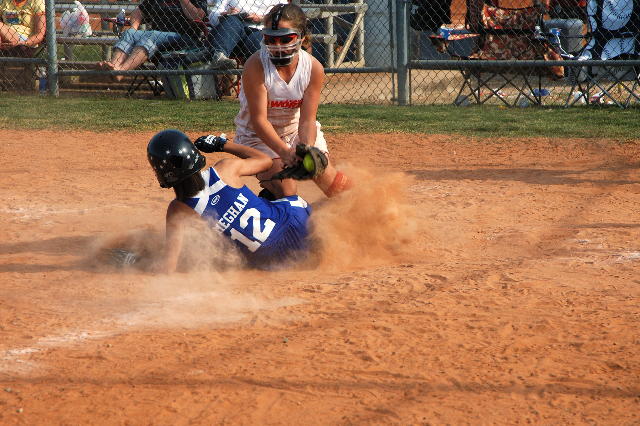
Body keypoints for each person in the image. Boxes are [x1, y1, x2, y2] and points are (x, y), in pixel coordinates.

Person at [229, 3, 352, 200]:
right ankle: (272, 201)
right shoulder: (256, 65)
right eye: (271, 39)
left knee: (327, 177)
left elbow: (307, 120)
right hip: (256, 136)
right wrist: (284, 152)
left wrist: (307, 148)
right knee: (287, 189)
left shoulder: (313, 68)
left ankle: (361, 211)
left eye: (286, 39)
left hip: (294, 130)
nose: (278, 46)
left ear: (301, 37)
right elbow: (259, 121)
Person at [146, 129, 313, 273]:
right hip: (300, 229)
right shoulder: (224, 170)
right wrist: (222, 144)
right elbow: (266, 161)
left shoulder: (178, 209)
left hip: (271, 261)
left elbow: (169, 266)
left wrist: (139, 261)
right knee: (280, 182)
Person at [97, 0, 207, 82]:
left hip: (183, 39)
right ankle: (114, 67)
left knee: (151, 35)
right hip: (156, 40)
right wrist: (134, 28)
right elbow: (138, 11)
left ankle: (120, 72)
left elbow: (198, 15)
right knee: (129, 33)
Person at [207, 0, 286, 69]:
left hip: (259, 30)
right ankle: (218, 57)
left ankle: (262, 70)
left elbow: (285, 17)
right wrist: (225, 14)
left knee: (259, 43)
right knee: (231, 20)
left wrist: (263, 18)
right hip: (232, 29)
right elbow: (212, 17)